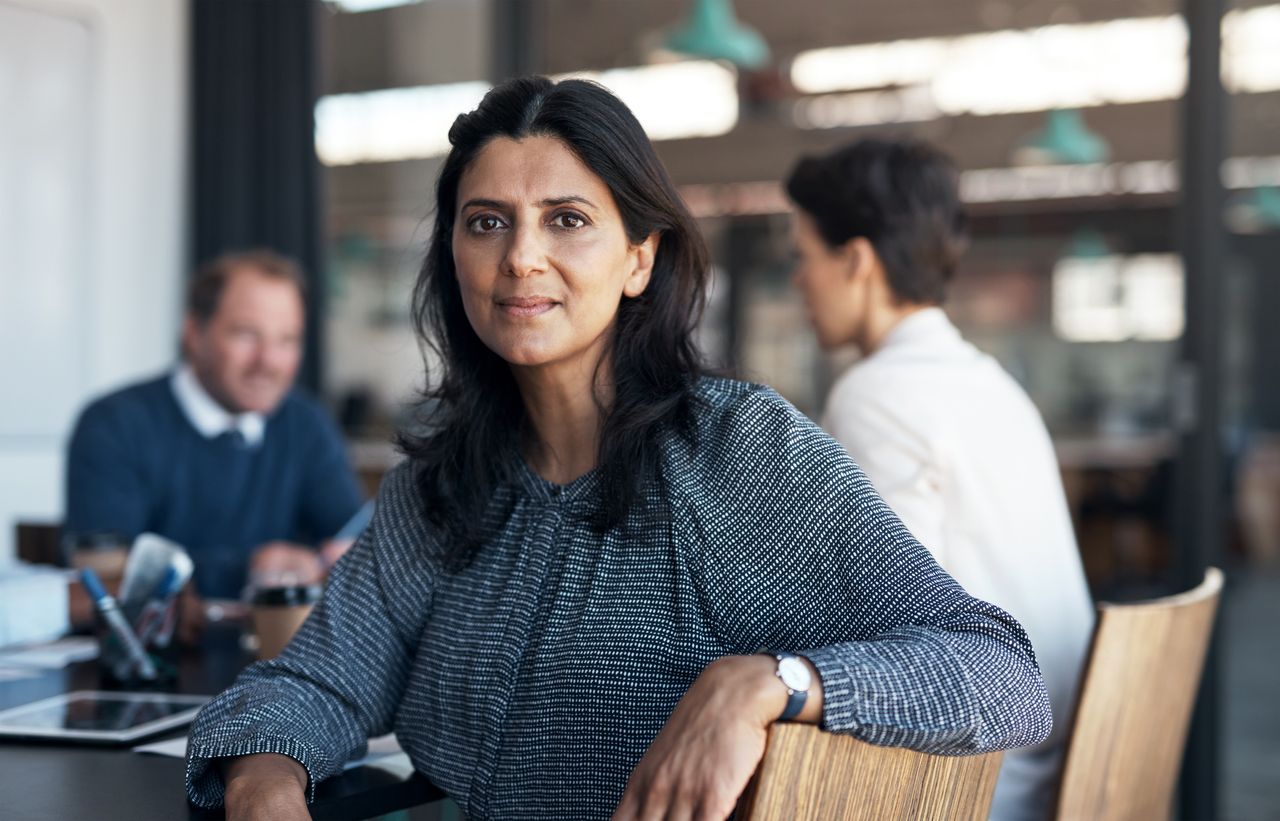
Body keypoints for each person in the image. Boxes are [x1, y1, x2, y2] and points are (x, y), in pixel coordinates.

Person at [185, 77, 1051, 820]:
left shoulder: (732, 452)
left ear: (640, 258)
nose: (521, 257)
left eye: (567, 220)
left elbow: (1000, 671)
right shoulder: (440, 483)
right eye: (486, 223)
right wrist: (267, 777)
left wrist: (768, 680)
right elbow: (317, 681)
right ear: (452, 254)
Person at [786, 137, 1094, 821]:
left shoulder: (875, 394)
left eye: (802, 256)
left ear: (856, 260)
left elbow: (869, 637)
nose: (797, 281)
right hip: (1056, 767)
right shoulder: (991, 383)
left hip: (980, 785)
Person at [65, 250, 364, 601]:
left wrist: (344, 555)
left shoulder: (306, 423)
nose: (268, 361)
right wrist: (249, 567)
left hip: (278, 648)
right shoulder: (114, 424)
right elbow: (110, 580)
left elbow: (348, 538)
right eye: (246, 335)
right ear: (194, 333)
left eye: (287, 340)